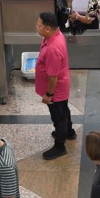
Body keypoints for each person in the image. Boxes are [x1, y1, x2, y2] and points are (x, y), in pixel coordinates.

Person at [35, 12, 75, 160]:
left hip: (56, 90)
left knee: (58, 116)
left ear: (47, 28)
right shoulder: (55, 36)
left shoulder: (53, 48)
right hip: (61, 87)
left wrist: (48, 95)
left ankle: (60, 145)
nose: (36, 27)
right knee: (64, 109)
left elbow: (53, 76)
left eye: (39, 26)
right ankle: (69, 132)